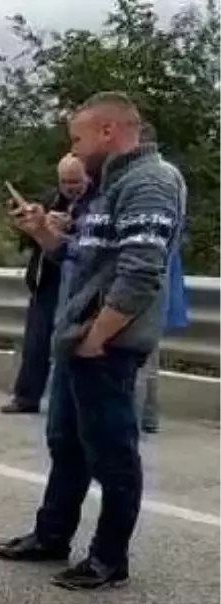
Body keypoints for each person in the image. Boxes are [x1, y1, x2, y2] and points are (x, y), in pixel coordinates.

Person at [0, 91, 183, 590]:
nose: (74, 148)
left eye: (78, 137)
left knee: (111, 454)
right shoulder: (106, 186)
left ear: (109, 132)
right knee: (67, 445)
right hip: (77, 339)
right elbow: (85, 258)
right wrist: (43, 235)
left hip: (106, 345)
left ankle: (108, 558)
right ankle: (51, 536)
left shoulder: (150, 182)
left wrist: (97, 337)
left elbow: (142, 272)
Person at [0, 156, 90, 414]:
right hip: (47, 278)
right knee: (36, 340)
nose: (71, 187)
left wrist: (70, 227)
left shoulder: (96, 203)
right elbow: (30, 242)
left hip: (78, 282)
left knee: (72, 343)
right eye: (65, 182)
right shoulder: (51, 200)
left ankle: (73, 404)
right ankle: (26, 396)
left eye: (76, 181)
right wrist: (32, 225)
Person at [134, 123, 190, 434]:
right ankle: (149, 415)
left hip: (152, 266)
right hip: (166, 263)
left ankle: (143, 413)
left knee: (144, 349)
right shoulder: (173, 175)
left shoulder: (156, 176)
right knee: (150, 349)